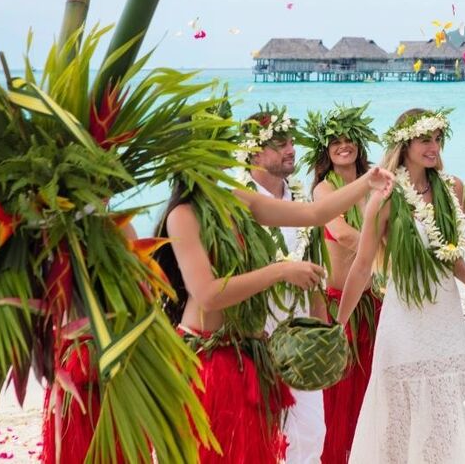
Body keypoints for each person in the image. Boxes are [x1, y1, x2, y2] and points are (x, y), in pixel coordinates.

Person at [157, 112, 394, 464]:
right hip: (207, 356)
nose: (226, 152)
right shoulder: (184, 214)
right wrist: (280, 271)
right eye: (215, 146)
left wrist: (367, 183)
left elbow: (314, 215)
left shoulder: (236, 199)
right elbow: (207, 292)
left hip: (247, 352)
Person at [336, 108, 465, 464]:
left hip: (445, 315)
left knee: (444, 406)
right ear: (405, 144)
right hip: (403, 317)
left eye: (437, 139)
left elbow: (450, 255)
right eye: (425, 140)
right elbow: (361, 266)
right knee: (398, 409)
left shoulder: (451, 188)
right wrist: (338, 324)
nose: (433, 147)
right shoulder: (386, 196)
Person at [238, 104, 329, 464]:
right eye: (279, 144)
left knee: (310, 432)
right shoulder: (236, 200)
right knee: (260, 434)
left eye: (291, 142)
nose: (291, 149)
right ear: (254, 151)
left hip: (300, 339)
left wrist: (321, 328)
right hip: (254, 338)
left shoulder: (301, 203)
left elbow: (316, 273)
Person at [300, 104, 381, 464]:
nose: (343, 147)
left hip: (370, 300)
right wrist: (385, 252)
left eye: (349, 140)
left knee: (367, 389)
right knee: (339, 392)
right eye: (335, 142)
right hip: (336, 303)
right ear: (326, 152)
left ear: (360, 146)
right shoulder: (323, 189)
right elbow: (341, 232)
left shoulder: (375, 186)